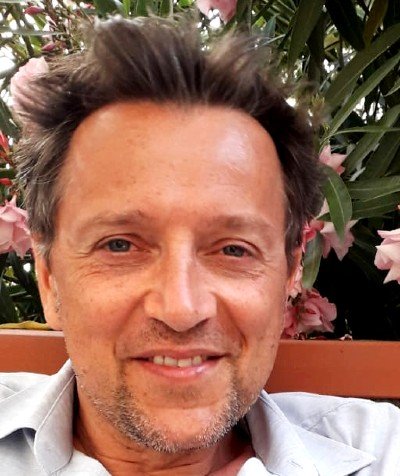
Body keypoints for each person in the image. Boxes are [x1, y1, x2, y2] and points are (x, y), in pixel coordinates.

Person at [1, 16, 399, 476]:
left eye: (234, 250)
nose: (181, 309)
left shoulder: (385, 451)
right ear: (49, 279)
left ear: (289, 277)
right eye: (120, 245)